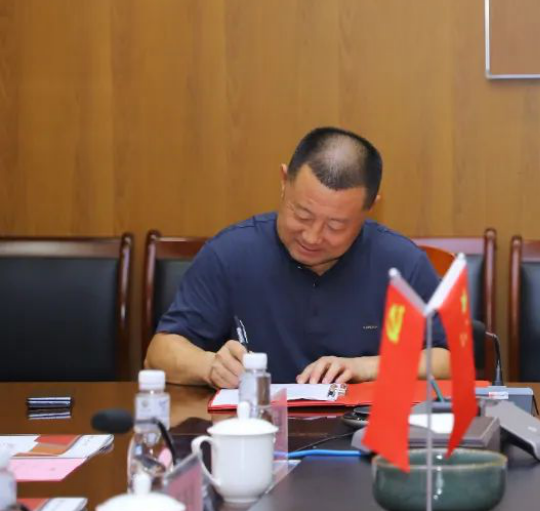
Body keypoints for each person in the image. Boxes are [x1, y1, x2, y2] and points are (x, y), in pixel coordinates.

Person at [145, 127, 449, 388]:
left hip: (362, 433)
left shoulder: (401, 263)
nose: (312, 237)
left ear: (370, 208)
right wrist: (210, 366)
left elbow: (447, 360)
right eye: (301, 215)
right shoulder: (231, 254)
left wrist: (366, 367)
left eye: (335, 226)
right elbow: (159, 353)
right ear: (283, 181)